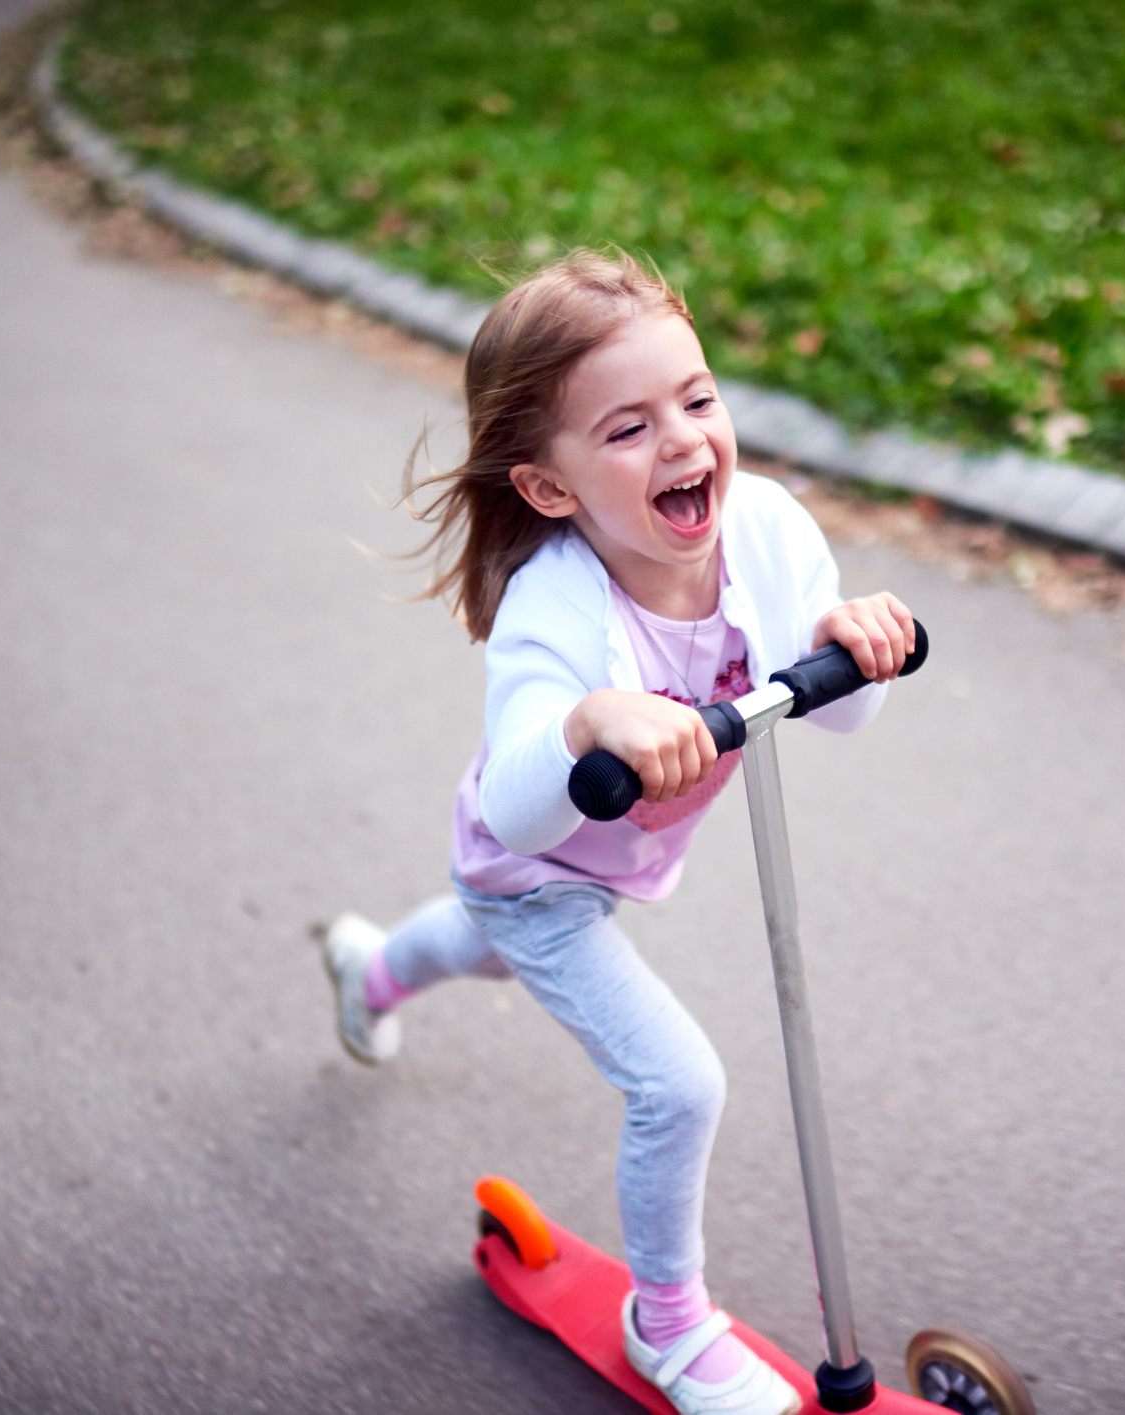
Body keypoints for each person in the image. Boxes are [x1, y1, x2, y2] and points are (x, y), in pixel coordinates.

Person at [320, 250, 913, 1415]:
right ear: (550, 487)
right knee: (676, 1081)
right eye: (629, 428)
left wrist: (852, 638)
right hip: (535, 870)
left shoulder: (765, 527)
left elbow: (837, 710)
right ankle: (669, 1324)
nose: (686, 440)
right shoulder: (555, 600)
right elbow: (516, 803)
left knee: (467, 942)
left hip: (618, 862)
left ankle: (371, 970)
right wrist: (591, 716)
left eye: (696, 399)